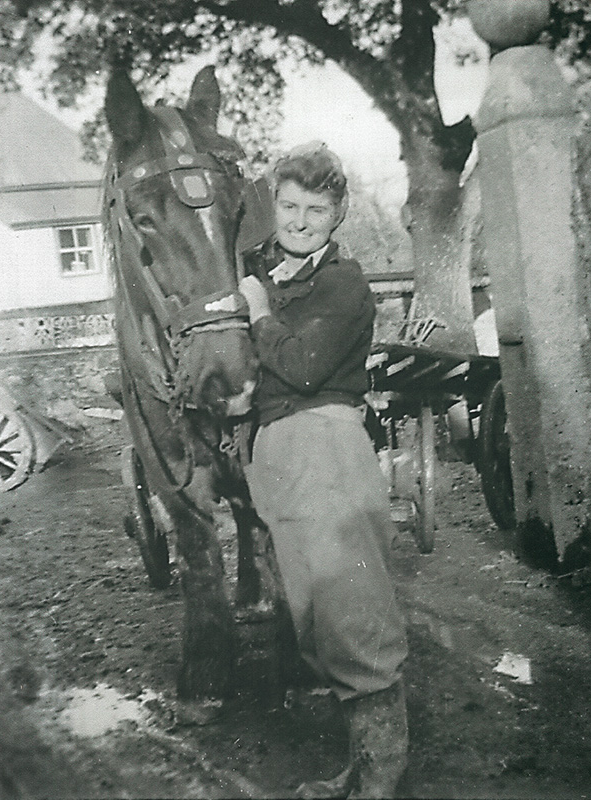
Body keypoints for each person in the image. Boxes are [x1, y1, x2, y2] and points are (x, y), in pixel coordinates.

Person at [239, 142, 409, 799]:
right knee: (315, 622)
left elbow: (305, 366)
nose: (299, 220)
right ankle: (362, 767)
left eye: (315, 209)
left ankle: (381, 781)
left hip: (327, 450)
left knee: (353, 618)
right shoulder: (275, 276)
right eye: (288, 206)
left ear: (336, 215)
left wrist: (254, 310)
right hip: (281, 453)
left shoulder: (341, 281)